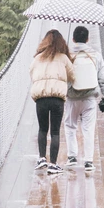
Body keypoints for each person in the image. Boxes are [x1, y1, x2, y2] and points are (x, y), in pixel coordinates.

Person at [64, 26, 104, 171]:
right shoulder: (96, 55)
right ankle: (89, 162)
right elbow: (103, 78)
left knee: (70, 126)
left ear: (73, 39)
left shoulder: (67, 55)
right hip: (90, 97)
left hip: (72, 97)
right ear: (88, 39)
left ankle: (72, 157)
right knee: (88, 129)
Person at [30, 29, 75, 174]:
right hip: (57, 98)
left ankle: (42, 158)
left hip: (41, 98)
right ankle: (53, 164)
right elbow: (73, 77)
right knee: (55, 131)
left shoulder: (37, 58)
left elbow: (31, 74)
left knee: (42, 129)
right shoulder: (63, 58)